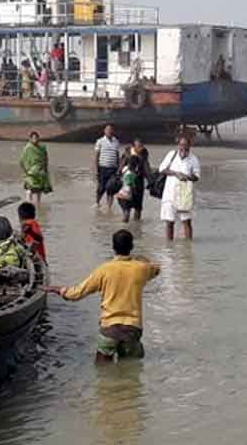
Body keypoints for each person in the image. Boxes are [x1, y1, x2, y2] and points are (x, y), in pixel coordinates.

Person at [51, 229, 160, 362]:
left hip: (110, 328)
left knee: (102, 372)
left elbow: (77, 293)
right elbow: (156, 269)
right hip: (132, 329)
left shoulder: (104, 269)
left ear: (113, 247)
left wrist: (60, 290)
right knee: (131, 371)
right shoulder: (142, 269)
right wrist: (140, 260)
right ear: (132, 246)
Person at [158, 133, 201, 241]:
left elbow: (197, 176)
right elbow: (162, 169)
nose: (183, 148)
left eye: (186, 145)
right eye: (181, 145)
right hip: (169, 194)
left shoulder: (193, 159)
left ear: (189, 146)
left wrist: (187, 177)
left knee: (186, 222)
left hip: (185, 195)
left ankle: (188, 247)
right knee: (169, 222)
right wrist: (176, 174)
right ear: (178, 145)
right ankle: (169, 248)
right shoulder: (171, 154)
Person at [93, 123, 122, 211]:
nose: (109, 131)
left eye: (110, 130)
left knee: (111, 188)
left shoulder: (116, 141)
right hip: (103, 168)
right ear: (104, 131)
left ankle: (109, 207)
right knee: (101, 188)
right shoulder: (100, 141)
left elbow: (117, 156)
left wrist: (119, 169)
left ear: (113, 131)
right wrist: (96, 169)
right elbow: (96, 157)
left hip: (113, 169)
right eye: (107, 130)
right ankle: (97, 203)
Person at [20, 130, 53, 206]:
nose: (35, 139)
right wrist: (26, 171)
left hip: (40, 172)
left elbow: (45, 158)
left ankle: (38, 205)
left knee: (39, 191)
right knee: (29, 190)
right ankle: (28, 205)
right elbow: (21, 161)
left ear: (38, 138)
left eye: (36, 137)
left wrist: (46, 170)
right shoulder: (28, 148)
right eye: (33, 138)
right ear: (30, 139)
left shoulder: (42, 147)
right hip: (31, 172)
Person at [124, 137, 152, 220]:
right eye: (138, 146)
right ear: (134, 147)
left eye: (141, 146)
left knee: (138, 207)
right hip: (129, 181)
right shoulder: (128, 153)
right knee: (127, 207)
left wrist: (151, 181)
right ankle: (125, 225)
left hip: (139, 182)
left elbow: (146, 168)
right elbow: (122, 165)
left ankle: (137, 228)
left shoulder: (144, 153)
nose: (140, 148)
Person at [118, 155, 144, 223]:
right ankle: (125, 226)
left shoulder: (125, 169)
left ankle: (125, 225)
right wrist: (134, 192)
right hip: (127, 196)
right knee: (127, 214)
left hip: (121, 194)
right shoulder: (131, 173)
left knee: (126, 212)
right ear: (135, 164)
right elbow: (130, 184)